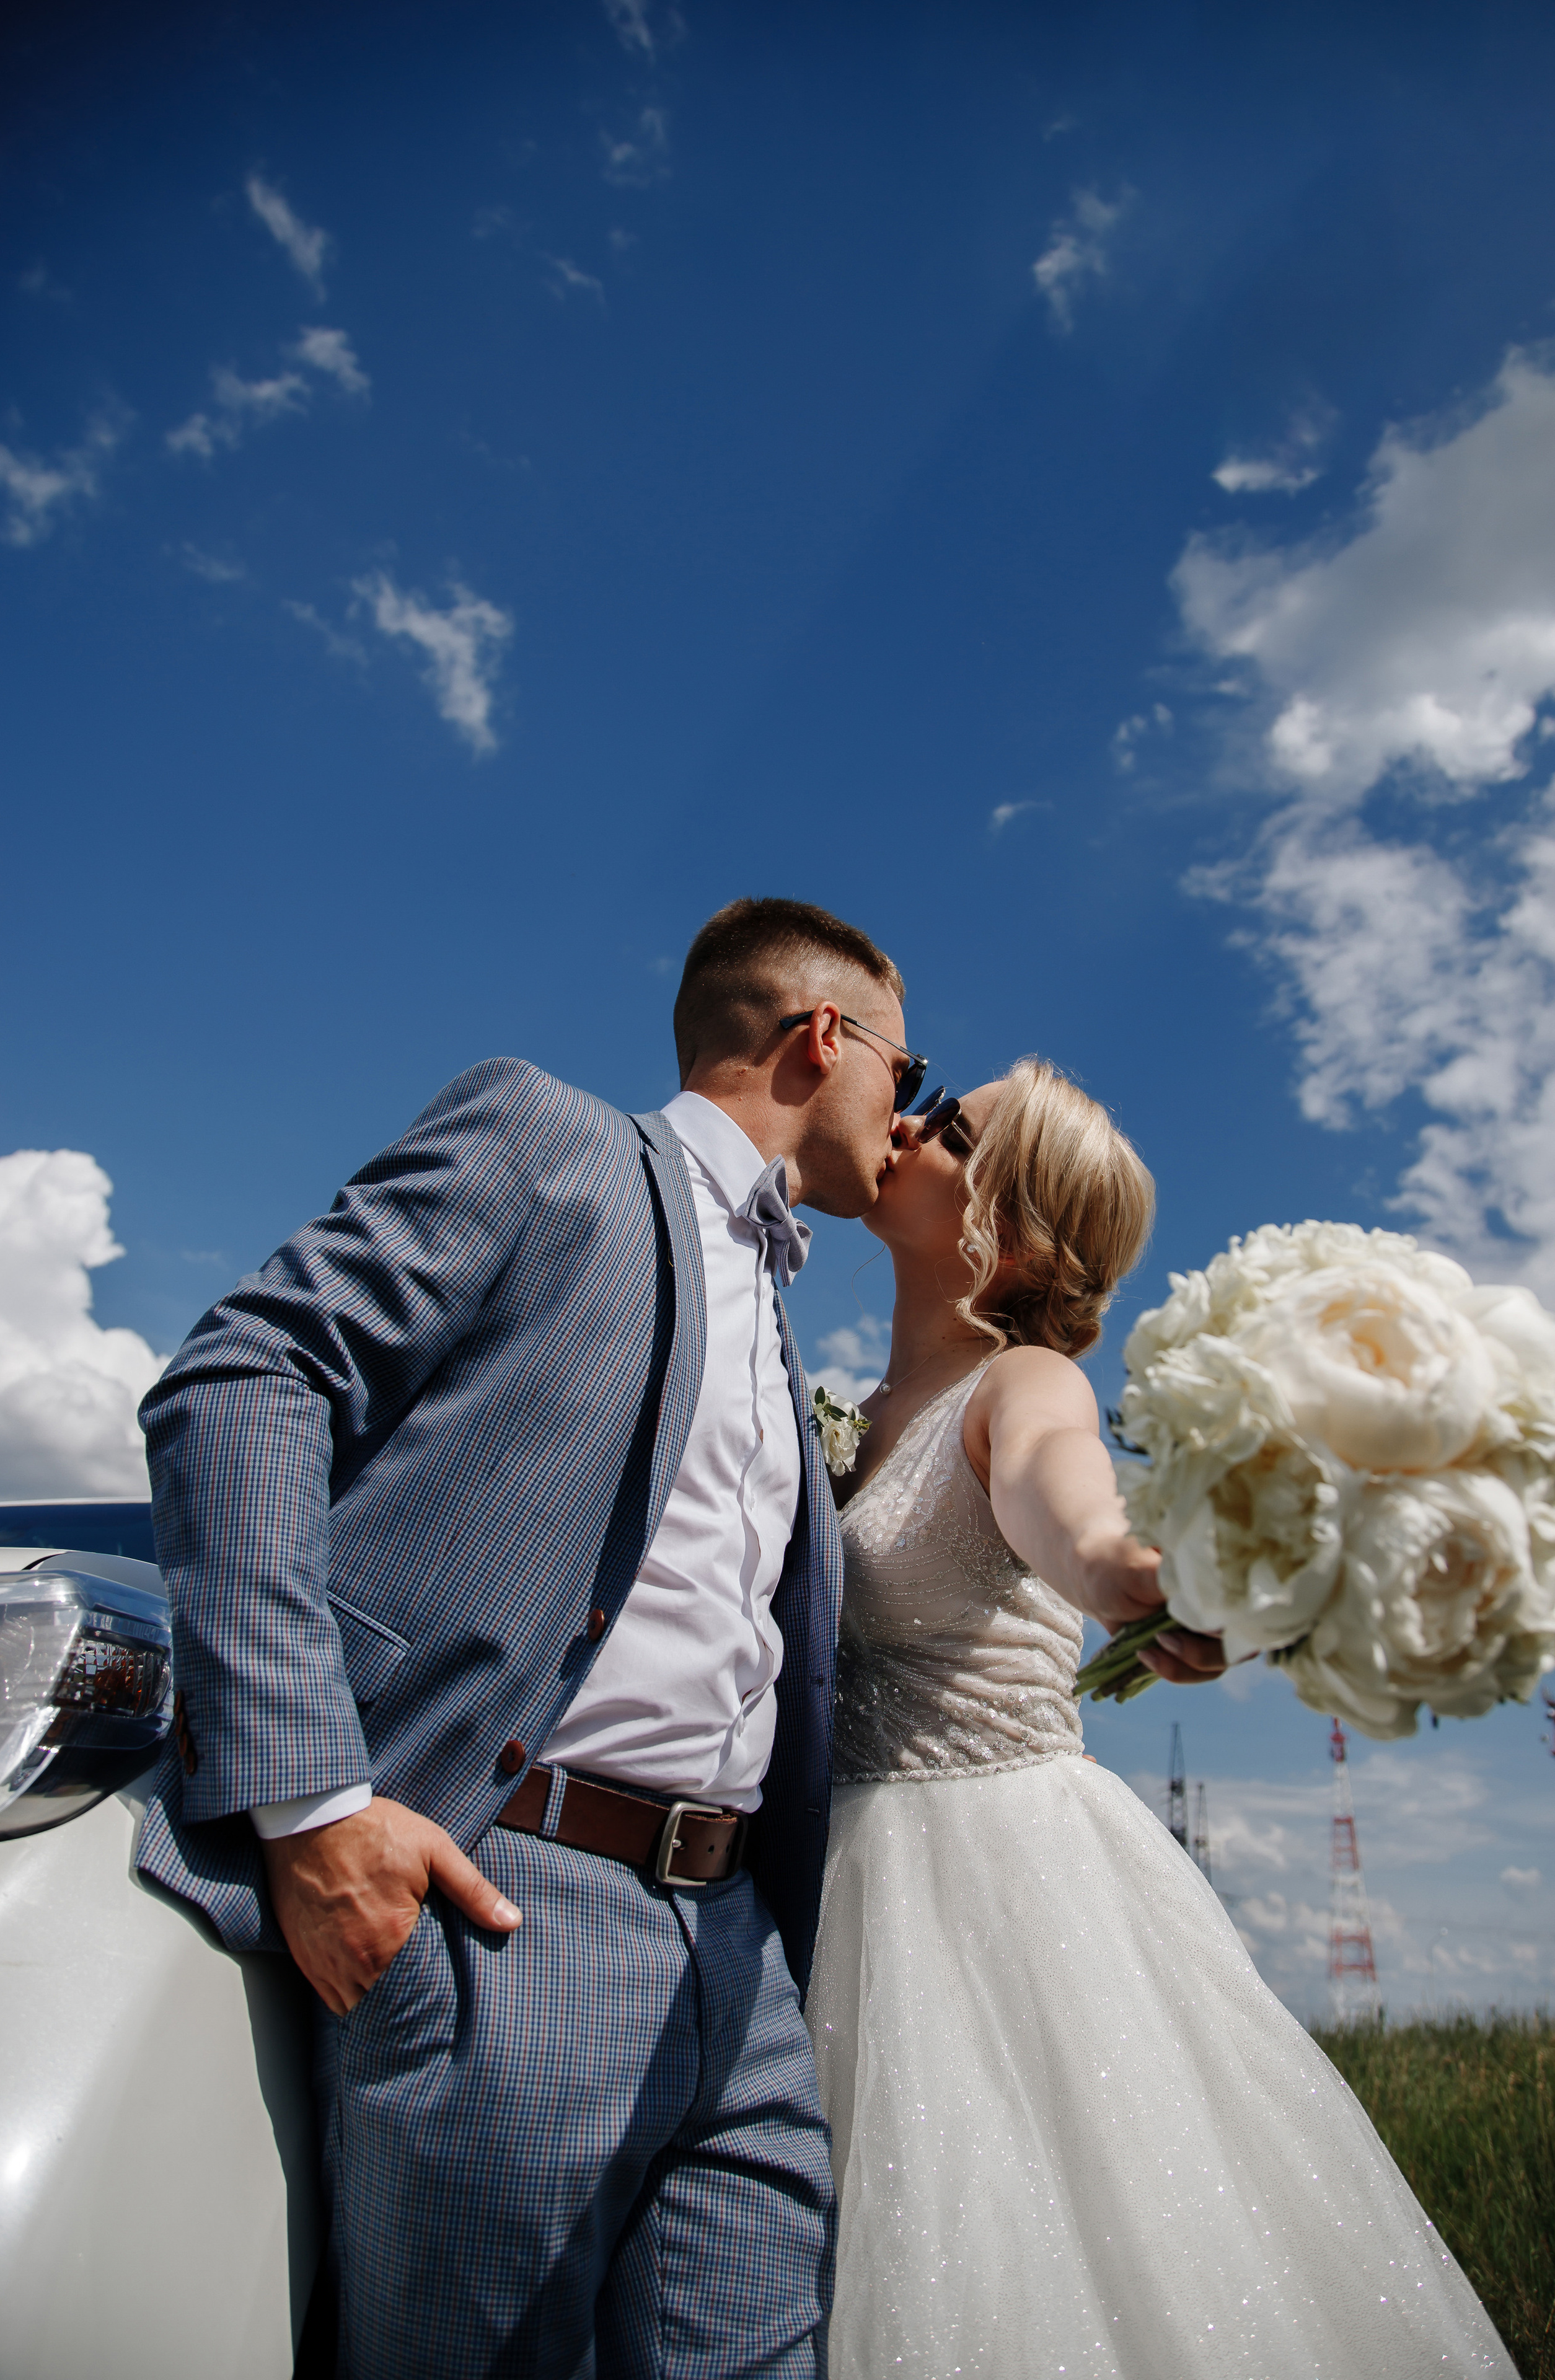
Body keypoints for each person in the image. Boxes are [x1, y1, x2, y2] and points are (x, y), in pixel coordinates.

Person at [133, 896, 923, 2380]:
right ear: (822, 1039)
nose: (908, 1113)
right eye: (908, 1068)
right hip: (510, 1912)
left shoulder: (771, 1304)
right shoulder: (550, 1140)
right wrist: (314, 1804)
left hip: (741, 1956)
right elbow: (243, 1379)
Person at [806, 1060, 1515, 2379]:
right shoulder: (854, 1411)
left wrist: (1149, 1581)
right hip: (825, 1881)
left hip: (981, 1891)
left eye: (947, 1125)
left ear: (1004, 1230)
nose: (902, 1120)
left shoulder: (1024, 1391)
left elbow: (1068, 1513)